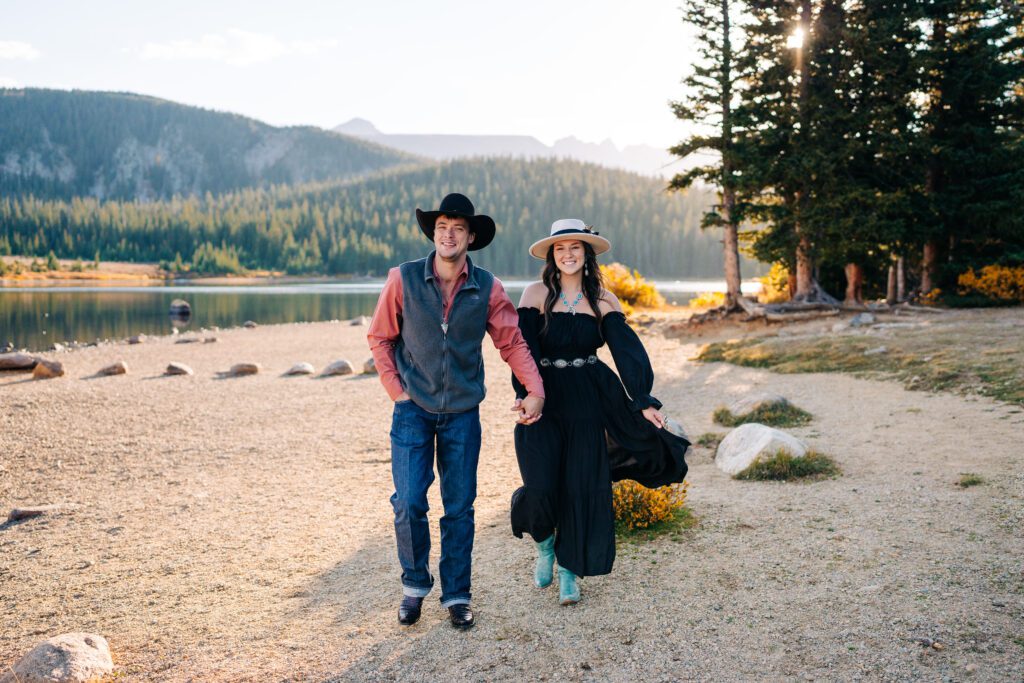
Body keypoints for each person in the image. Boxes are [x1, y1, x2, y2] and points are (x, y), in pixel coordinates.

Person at [367, 192, 545, 629]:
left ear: (470, 237)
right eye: (443, 226)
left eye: (458, 228)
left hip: (464, 413)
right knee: (408, 501)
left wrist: (535, 388)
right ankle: (414, 585)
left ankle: (457, 594)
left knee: (460, 507)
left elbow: (512, 342)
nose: (449, 234)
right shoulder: (403, 279)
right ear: (433, 232)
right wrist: (397, 391)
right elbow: (380, 338)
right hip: (412, 410)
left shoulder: (487, 287)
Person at [510, 219, 689, 605]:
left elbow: (626, 351)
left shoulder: (604, 300)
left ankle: (570, 571)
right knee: (539, 486)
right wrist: (526, 393)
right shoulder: (535, 294)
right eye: (560, 248)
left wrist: (642, 400)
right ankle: (544, 544)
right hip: (543, 398)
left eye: (576, 248)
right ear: (552, 255)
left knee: (581, 488)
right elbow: (522, 351)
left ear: (587, 254)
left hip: (590, 399)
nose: (568, 254)